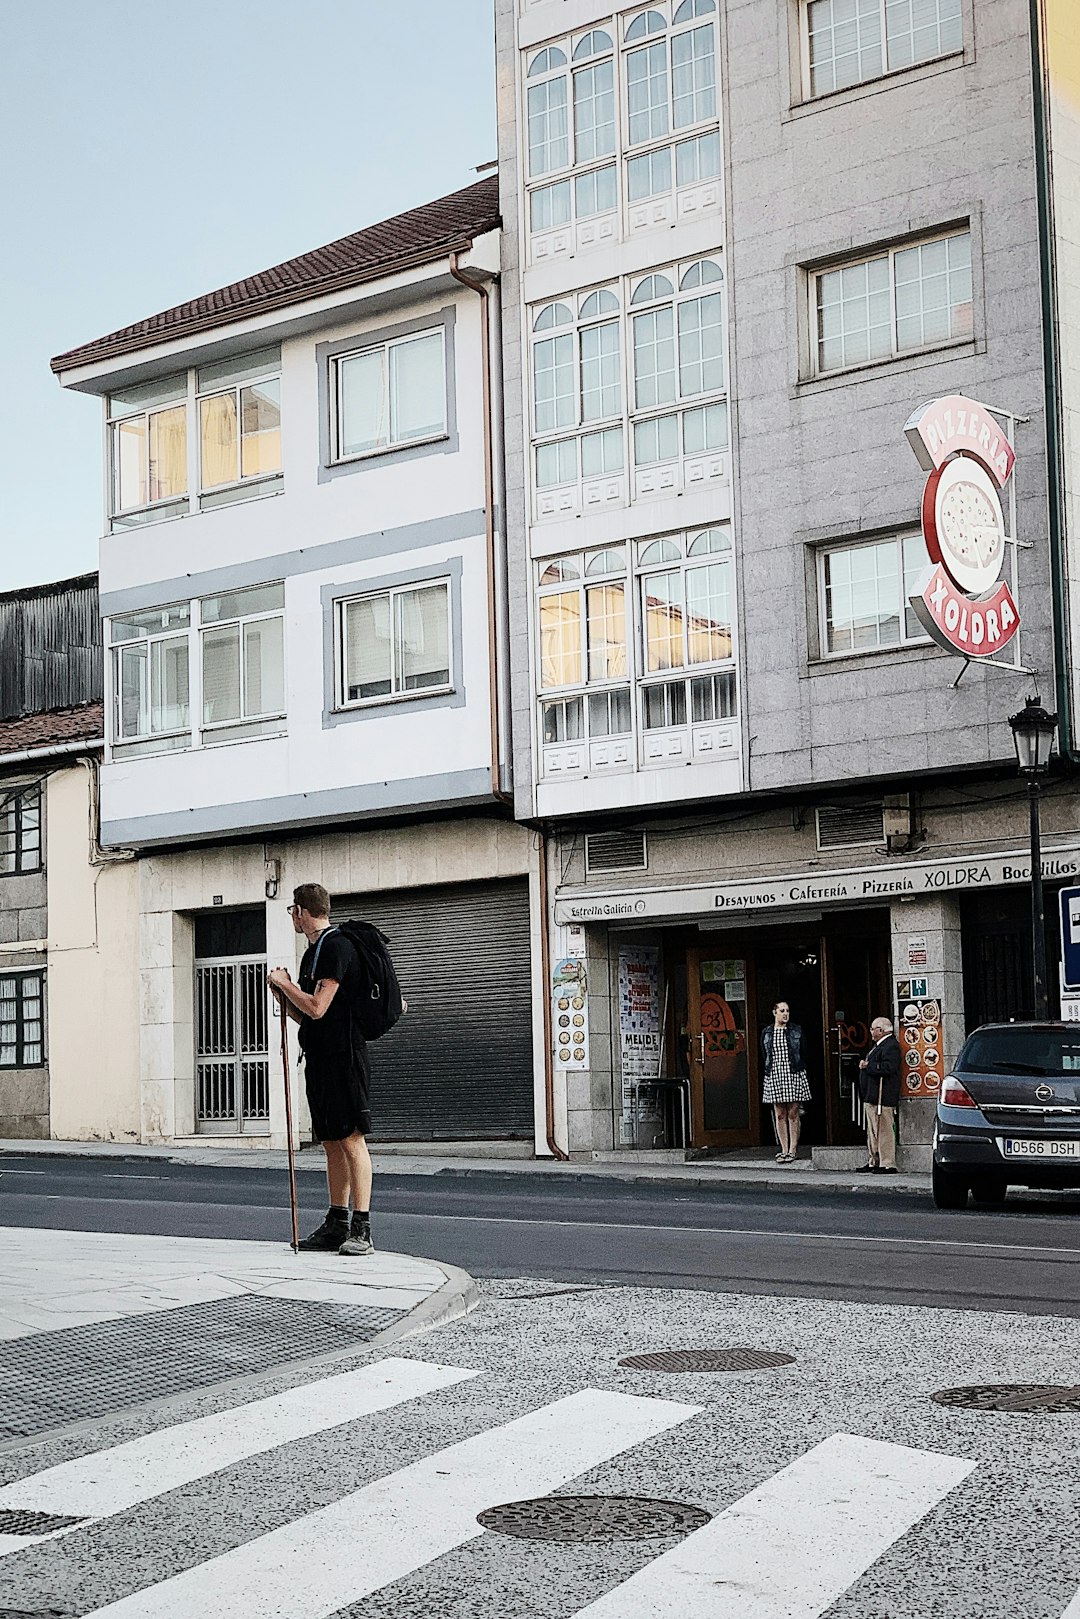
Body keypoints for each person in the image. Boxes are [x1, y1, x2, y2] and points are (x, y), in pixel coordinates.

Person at [268, 883, 374, 1255]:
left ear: (302, 911)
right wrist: (283, 993)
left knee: (351, 1138)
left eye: (292, 912)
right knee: (330, 1141)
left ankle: (362, 1229)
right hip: (320, 1057)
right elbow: (306, 1017)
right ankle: (337, 1222)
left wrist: (286, 985)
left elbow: (318, 1006)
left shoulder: (336, 946)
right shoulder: (312, 953)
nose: (292, 918)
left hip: (345, 1057)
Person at [761, 1001, 811, 1163]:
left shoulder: (796, 1030)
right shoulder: (767, 1032)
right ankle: (783, 1148)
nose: (785, 1014)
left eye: (787, 1011)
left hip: (793, 1072)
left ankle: (792, 1150)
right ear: (774, 1012)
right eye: (782, 1011)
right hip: (775, 1073)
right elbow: (765, 1053)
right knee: (780, 1113)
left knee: (793, 1113)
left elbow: (803, 1051)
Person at [858, 1015, 902, 1174]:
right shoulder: (878, 1045)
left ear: (881, 1030)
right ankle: (874, 1160)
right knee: (873, 1131)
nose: (870, 1031)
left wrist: (868, 1066)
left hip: (883, 1095)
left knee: (884, 1130)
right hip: (873, 1095)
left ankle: (887, 1163)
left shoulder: (891, 1046)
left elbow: (889, 1067)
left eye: (873, 1028)